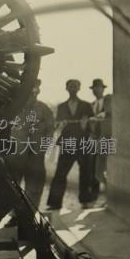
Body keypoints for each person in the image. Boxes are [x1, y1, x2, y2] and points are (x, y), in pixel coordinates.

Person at [6, 79, 55, 225]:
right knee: (12, 186)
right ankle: (15, 216)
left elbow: (50, 130)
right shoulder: (14, 107)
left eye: (35, 90)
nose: (33, 93)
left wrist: (43, 149)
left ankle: (28, 217)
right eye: (30, 90)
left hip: (36, 154)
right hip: (16, 154)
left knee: (35, 187)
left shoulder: (43, 109)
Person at [47, 79, 95, 210]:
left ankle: (85, 201)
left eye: (75, 87)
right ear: (66, 88)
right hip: (67, 143)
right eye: (70, 87)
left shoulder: (86, 105)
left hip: (82, 143)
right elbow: (57, 125)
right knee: (60, 173)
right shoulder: (61, 106)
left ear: (79, 88)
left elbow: (93, 125)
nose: (73, 89)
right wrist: (60, 125)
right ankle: (54, 203)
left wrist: (86, 126)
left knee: (85, 173)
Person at [88, 78, 112, 204]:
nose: (96, 90)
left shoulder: (109, 99)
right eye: (94, 88)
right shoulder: (92, 105)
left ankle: (110, 198)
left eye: (99, 88)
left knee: (109, 170)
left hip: (108, 141)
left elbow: (111, 114)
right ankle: (108, 195)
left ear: (103, 89)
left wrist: (103, 115)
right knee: (97, 172)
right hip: (97, 141)